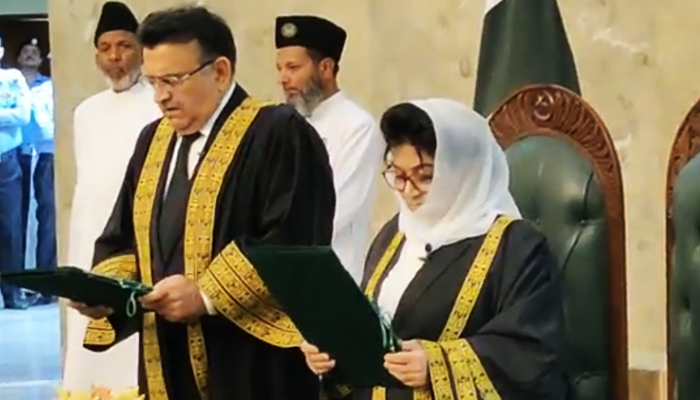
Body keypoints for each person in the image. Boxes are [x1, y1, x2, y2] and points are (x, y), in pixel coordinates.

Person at [70, 5, 336, 400]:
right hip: (166, 351)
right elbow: (124, 237)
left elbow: (293, 241)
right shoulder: (153, 140)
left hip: (250, 360)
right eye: (155, 81)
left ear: (221, 71)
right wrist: (106, 293)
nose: (161, 96)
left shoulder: (277, 133)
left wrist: (206, 294)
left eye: (174, 80)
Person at [301, 99, 571, 399]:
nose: (408, 191)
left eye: (425, 176)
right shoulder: (394, 234)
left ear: (461, 172)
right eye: (399, 175)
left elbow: (531, 352)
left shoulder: (517, 247)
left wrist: (437, 365)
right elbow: (374, 327)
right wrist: (332, 353)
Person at [62, 1, 162, 393]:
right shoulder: (86, 112)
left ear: (140, 50)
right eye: (105, 48)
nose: (115, 57)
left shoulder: (158, 104)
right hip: (90, 242)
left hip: (137, 244)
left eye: (123, 46)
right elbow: (86, 190)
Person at [275, 15, 381, 283]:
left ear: (325, 67)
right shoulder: (282, 124)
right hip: (279, 272)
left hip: (331, 277)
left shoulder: (356, 126)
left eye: (293, 67)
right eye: (280, 69)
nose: (283, 79)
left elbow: (333, 211)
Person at [16, 38, 55, 305]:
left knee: (48, 215)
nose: (30, 56)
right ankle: (16, 283)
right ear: (17, 58)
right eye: (25, 52)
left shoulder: (50, 86)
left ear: (41, 60)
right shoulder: (8, 83)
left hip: (45, 153)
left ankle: (47, 283)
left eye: (34, 53)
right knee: (14, 219)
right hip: (15, 153)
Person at [0, 34, 32, 310]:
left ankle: (12, 293)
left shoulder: (13, 79)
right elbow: (13, 115)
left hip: (7, 161)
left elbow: (23, 115)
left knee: (11, 229)